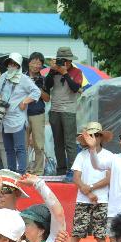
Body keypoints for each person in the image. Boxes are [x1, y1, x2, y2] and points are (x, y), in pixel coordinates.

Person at [70, 123, 114, 242]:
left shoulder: (109, 155)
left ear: (101, 137)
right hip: (83, 200)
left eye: (96, 135)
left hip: (101, 201)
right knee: (76, 233)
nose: (94, 138)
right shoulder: (81, 155)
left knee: (100, 235)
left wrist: (90, 188)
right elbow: (76, 177)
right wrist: (89, 192)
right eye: (90, 135)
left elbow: (109, 178)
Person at [0, 53, 41, 173]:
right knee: (8, 148)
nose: (11, 66)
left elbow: (36, 92)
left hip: (18, 118)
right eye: (9, 63)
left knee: (20, 148)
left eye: (14, 64)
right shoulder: (4, 76)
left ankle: (21, 172)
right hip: (4, 117)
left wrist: (25, 101)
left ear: (19, 65)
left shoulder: (24, 79)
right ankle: (11, 171)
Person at [44, 47, 82, 176]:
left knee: (70, 142)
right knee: (57, 142)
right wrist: (51, 71)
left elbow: (75, 88)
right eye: (62, 60)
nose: (65, 63)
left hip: (69, 111)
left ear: (70, 60)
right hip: (54, 110)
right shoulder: (54, 72)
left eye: (67, 60)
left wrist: (65, 73)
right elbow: (46, 86)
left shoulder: (77, 71)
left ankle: (72, 171)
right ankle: (61, 170)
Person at [26, 52, 50, 174]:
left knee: (39, 144)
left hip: (37, 114)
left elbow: (47, 99)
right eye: (34, 62)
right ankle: (22, 169)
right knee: (22, 144)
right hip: (22, 114)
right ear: (29, 63)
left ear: (41, 66)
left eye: (39, 63)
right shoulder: (21, 78)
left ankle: (38, 171)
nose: (36, 65)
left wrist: (39, 90)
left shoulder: (44, 80)